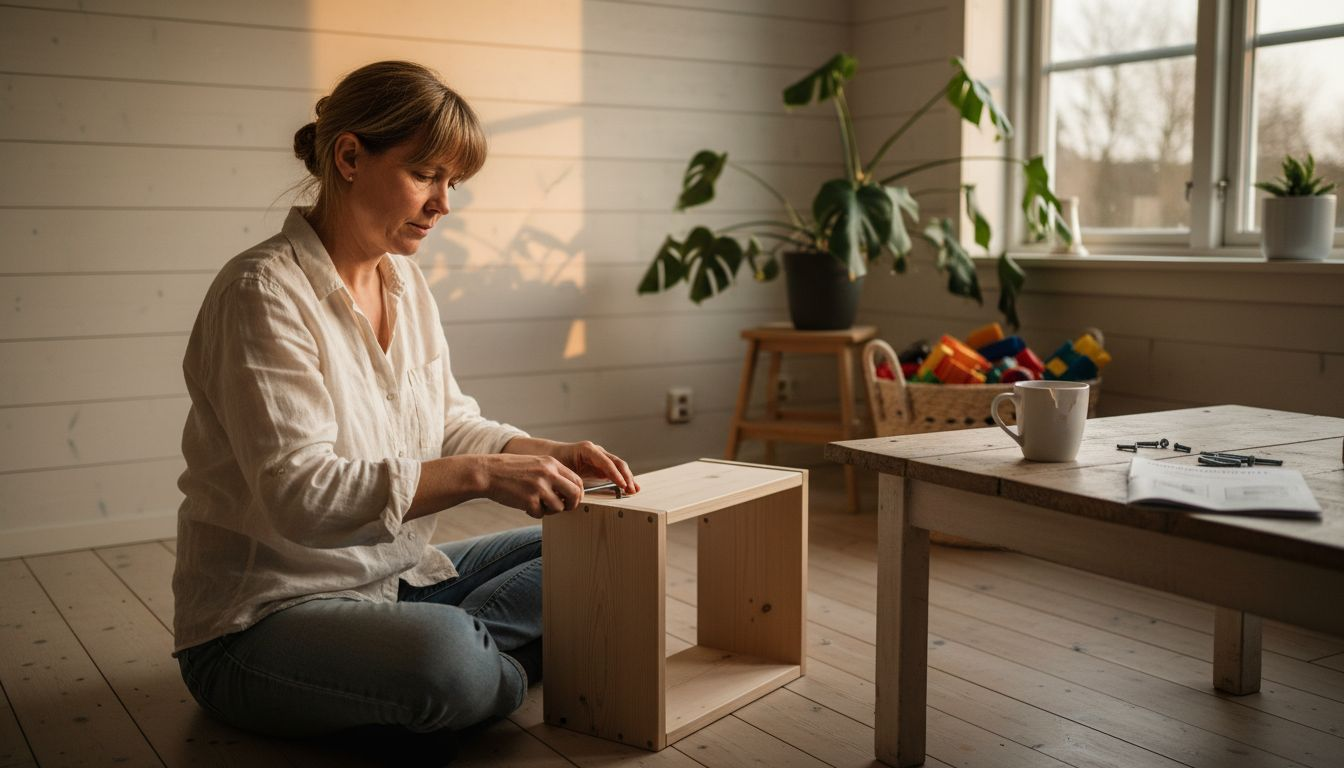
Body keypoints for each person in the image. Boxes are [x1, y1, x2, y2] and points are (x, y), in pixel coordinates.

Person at [172, 60, 639, 740]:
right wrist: (484, 475)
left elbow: (448, 422)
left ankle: (460, 661)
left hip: (401, 578)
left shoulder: (405, 283)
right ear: (351, 156)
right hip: (261, 623)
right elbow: (301, 495)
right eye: (426, 174)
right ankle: (476, 665)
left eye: (452, 183)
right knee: (448, 661)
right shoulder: (261, 292)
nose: (443, 204)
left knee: (611, 546)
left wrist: (540, 452)